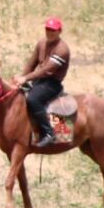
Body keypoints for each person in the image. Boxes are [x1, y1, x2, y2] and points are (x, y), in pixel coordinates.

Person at [19, 16, 72, 148]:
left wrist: (25, 79)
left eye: (53, 30)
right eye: (47, 29)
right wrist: (20, 79)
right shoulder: (42, 43)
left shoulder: (62, 49)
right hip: (39, 81)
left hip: (52, 83)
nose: (49, 32)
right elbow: (31, 64)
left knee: (33, 99)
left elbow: (46, 71)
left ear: (60, 31)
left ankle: (49, 133)